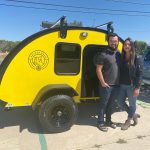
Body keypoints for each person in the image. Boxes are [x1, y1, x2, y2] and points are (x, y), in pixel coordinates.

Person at [96, 33, 121, 132]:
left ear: (118, 42)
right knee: (103, 104)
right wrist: (102, 82)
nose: (113, 43)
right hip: (106, 85)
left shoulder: (118, 53)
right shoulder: (103, 54)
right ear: (108, 41)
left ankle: (108, 121)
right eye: (111, 41)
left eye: (115, 41)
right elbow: (98, 69)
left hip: (116, 85)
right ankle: (100, 122)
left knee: (111, 104)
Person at [117, 37, 143, 130]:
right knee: (120, 102)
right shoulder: (122, 57)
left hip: (132, 86)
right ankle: (133, 114)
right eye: (125, 44)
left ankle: (128, 121)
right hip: (122, 84)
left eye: (129, 44)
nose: (126, 46)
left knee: (132, 104)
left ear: (132, 46)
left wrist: (137, 87)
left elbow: (140, 73)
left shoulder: (137, 57)